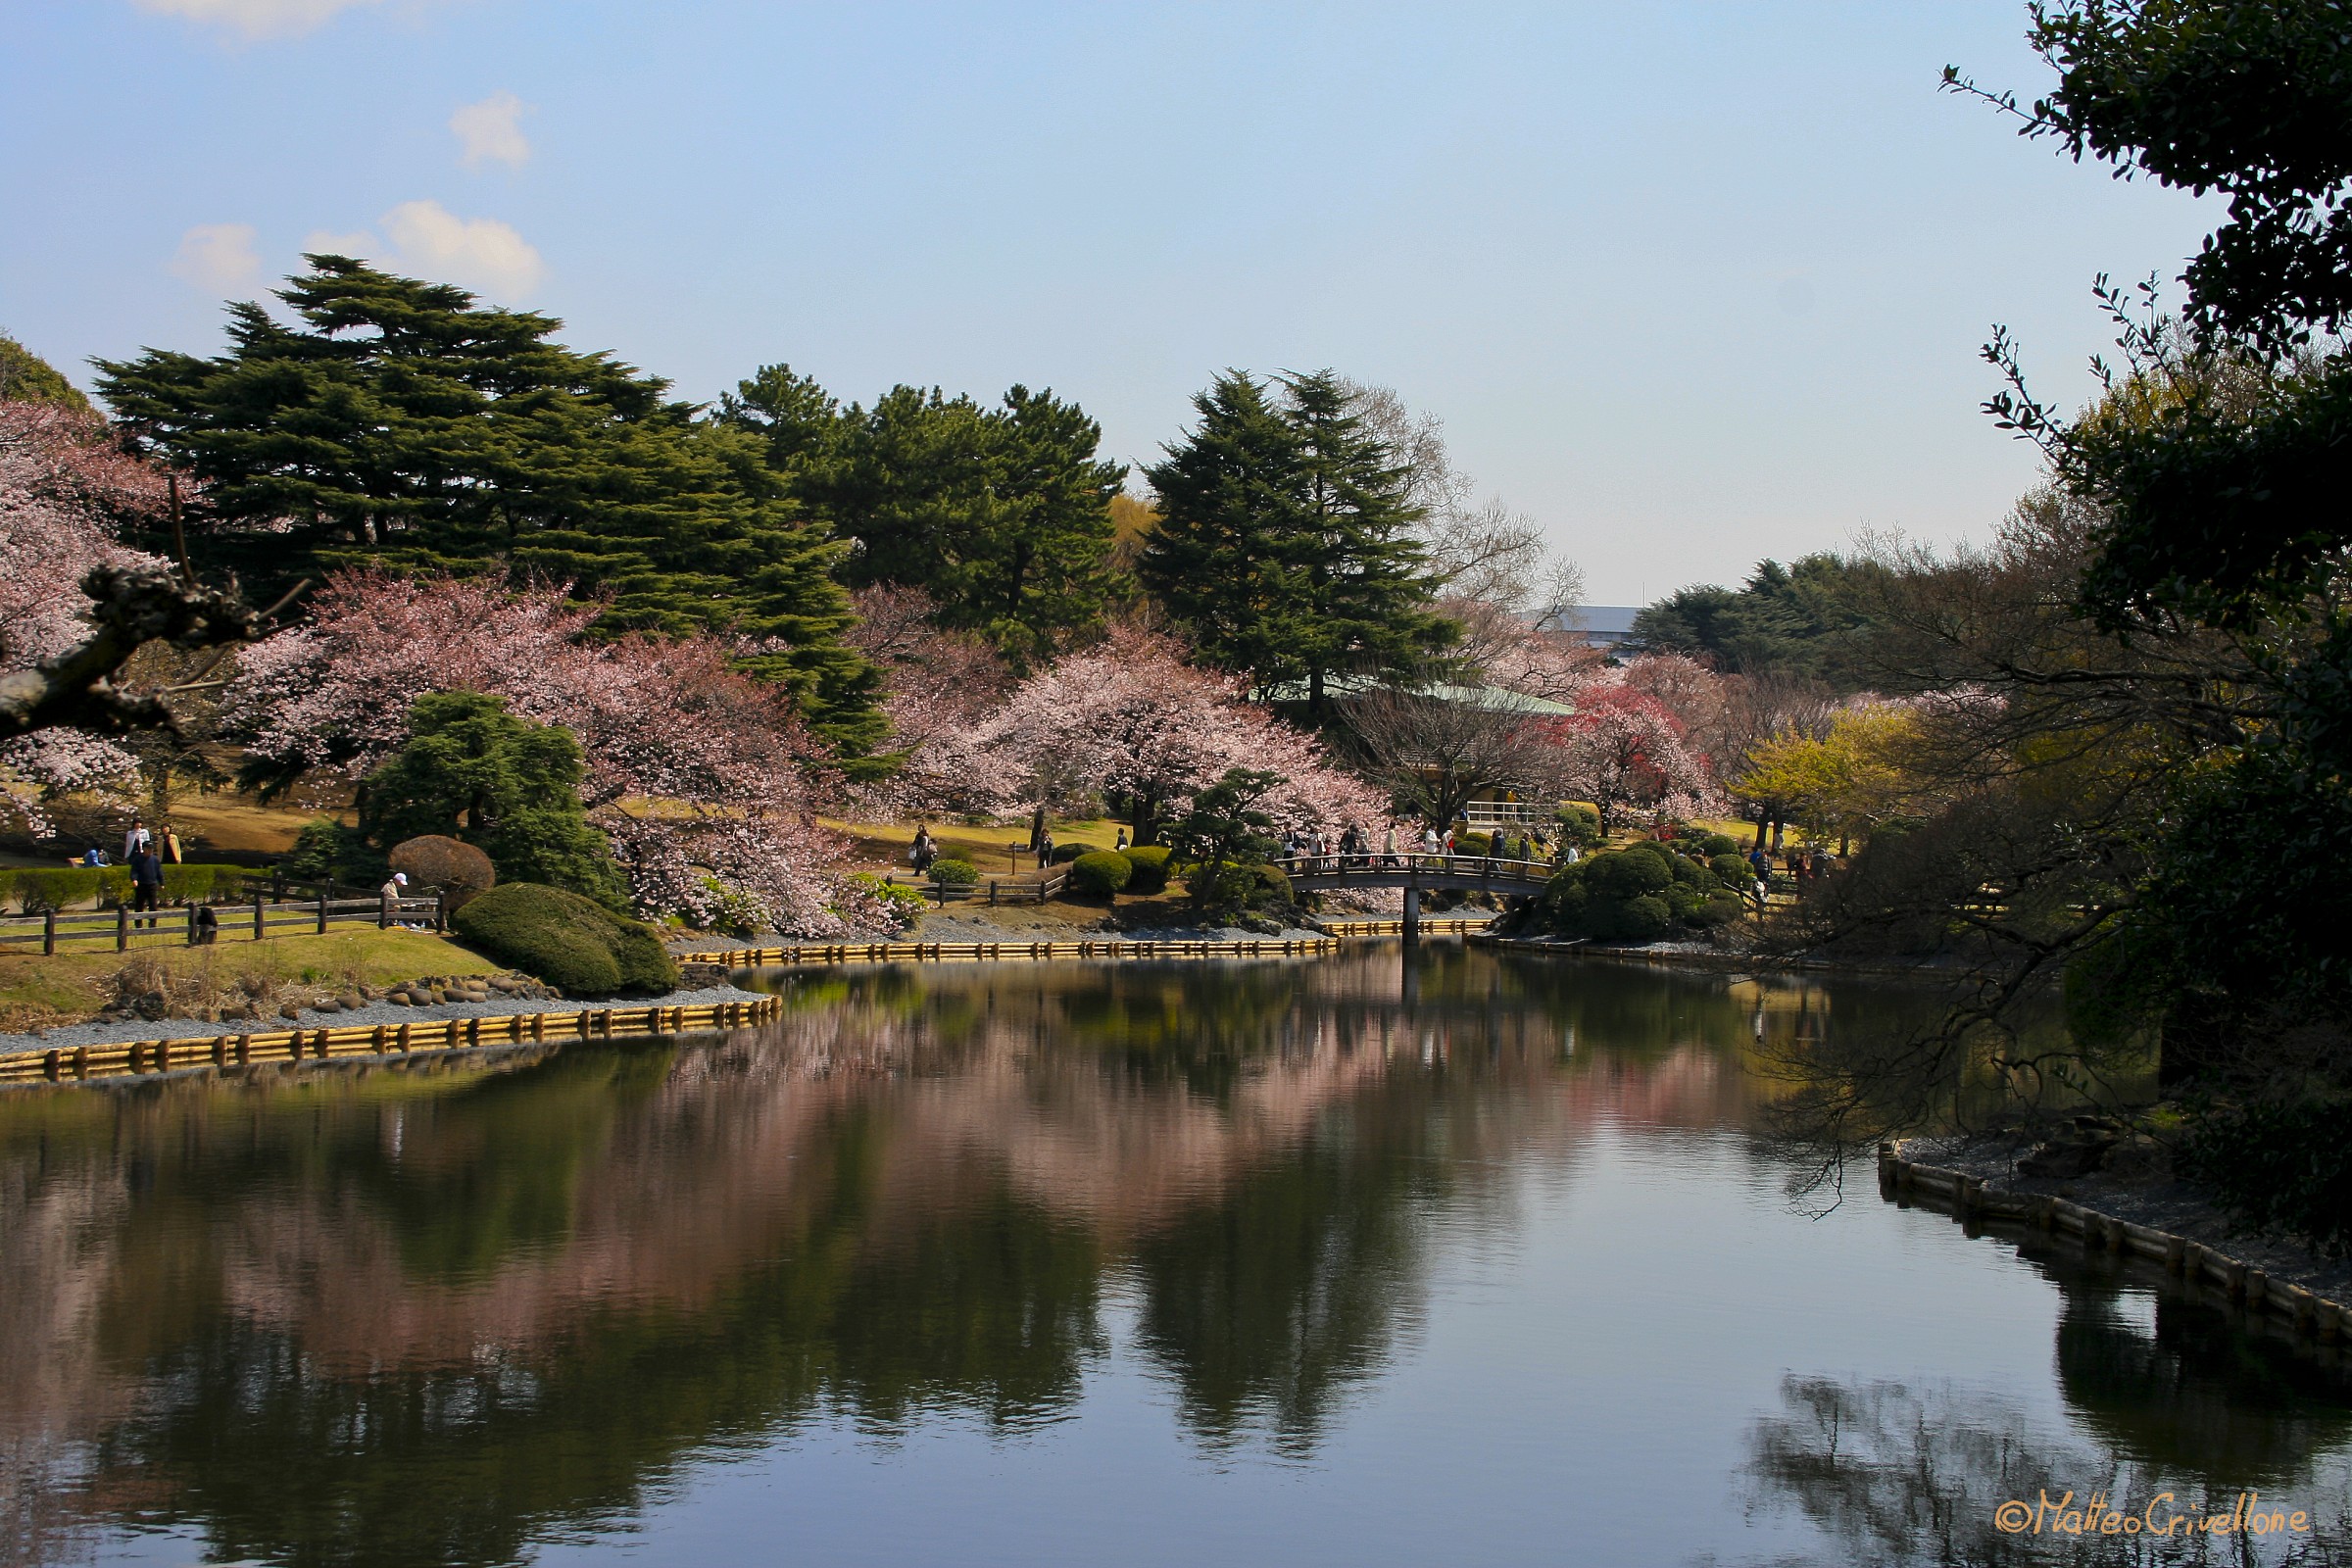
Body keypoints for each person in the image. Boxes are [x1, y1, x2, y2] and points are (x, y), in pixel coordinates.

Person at [128, 843, 163, 928]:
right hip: (141, 885)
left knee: (153, 905)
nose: (151, 850)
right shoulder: (137, 859)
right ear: (144, 848)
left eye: (152, 848)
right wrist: (134, 879)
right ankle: (138, 924)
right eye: (149, 848)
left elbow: (159, 872)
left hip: (152, 885)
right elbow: (134, 871)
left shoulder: (155, 859)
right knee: (139, 905)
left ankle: (152, 924)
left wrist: (161, 883)